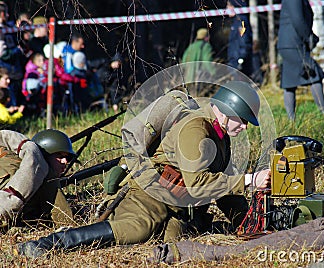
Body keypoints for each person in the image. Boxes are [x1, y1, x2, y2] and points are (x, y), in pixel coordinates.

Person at [17, 81, 271, 258]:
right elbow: (200, 183)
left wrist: (248, 223)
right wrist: (249, 180)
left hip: (179, 203)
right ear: (226, 111)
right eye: (243, 120)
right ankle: (50, 243)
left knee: (177, 238)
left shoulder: (220, 135)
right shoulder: (196, 129)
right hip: (151, 194)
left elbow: (222, 183)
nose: (246, 128)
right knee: (137, 229)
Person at [0, 129, 76, 229]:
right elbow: (66, 224)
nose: (65, 162)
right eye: (59, 156)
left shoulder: (10, 160)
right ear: (43, 156)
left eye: (67, 158)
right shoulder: (48, 177)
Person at [277, 0, 324, 120]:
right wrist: (308, 37)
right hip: (294, 43)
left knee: (289, 83)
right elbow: (297, 19)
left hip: (288, 43)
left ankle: (291, 121)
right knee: (314, 74)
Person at [226, 0, 253, 78]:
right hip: (234, 60)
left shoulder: (241, 23)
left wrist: (240, 60)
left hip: (238, 62)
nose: (226, 9)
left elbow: (244, 41)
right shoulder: (235, 22)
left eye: (228, 6)